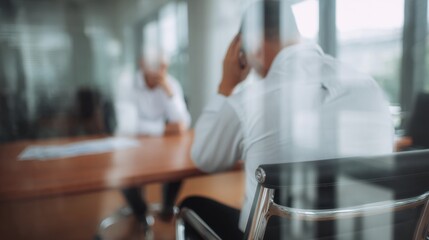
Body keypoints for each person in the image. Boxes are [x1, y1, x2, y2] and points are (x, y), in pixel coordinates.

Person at [180, 1, 394, 239]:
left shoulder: (250, 100)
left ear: (253, 45)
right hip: (362, 233)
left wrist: (225, 86)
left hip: (285, 234)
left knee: (191, 205)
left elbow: (205, 157)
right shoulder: (370, 87)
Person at [122, 58, 191, 227]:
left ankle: (167, 208)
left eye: (164, 66)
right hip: (131, 147)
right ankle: (140, 213)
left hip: (162, 147)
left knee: (178, 166)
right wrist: (164, 128)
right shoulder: (127, 84)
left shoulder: (170, 83)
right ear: (142, 64)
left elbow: (183, 123)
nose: (161, 71)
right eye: (156, 65)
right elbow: (128, 124)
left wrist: (169, 92)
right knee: (124, 173)